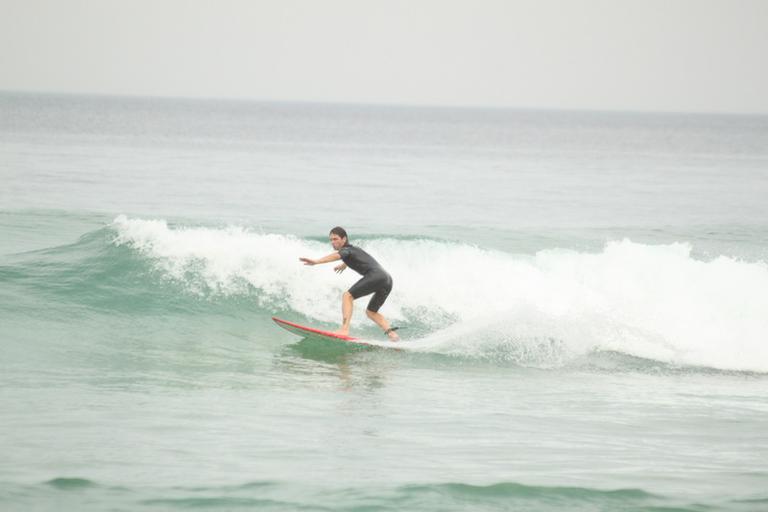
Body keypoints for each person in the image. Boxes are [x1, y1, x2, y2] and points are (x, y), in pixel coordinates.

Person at [300, 227, 400, 341]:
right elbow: (356, 257)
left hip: (376, 276)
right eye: (331, 240)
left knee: (347, 296)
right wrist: (344, 264)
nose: (333, 242)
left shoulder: (345, 250)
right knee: (371, 312)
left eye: (335, 239)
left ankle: (344, 329)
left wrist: (317, 261)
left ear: (344, 239)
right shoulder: (353, 250)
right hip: (387, 280)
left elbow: (338, 255)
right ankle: (392, 335)